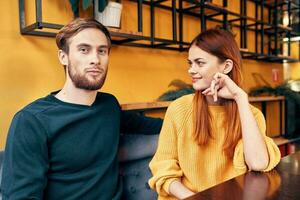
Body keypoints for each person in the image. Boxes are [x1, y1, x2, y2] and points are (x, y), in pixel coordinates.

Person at [1, 18, 162, 199]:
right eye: (84, 50)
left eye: (102, 51)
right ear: (63, 57)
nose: (95, 59)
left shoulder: (109, 105)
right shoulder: (32, 120)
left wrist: (192, 118)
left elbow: (150, 125)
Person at [148, 28, 281, 200]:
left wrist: (241, 98)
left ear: (226, 66)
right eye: (190, 63)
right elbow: (163, 170)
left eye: (200, 63)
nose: (191, 70)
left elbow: (258, 163)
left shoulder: (250, 115)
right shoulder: (179, 109)